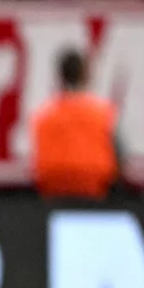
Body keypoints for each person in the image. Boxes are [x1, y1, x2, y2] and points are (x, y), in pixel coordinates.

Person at [30, 49, 118, 201]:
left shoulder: (43, 115)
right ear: (85, 75)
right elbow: (120, 153)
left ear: (61, 76)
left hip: (52, 190)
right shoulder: (103, 113)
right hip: (94, 188)